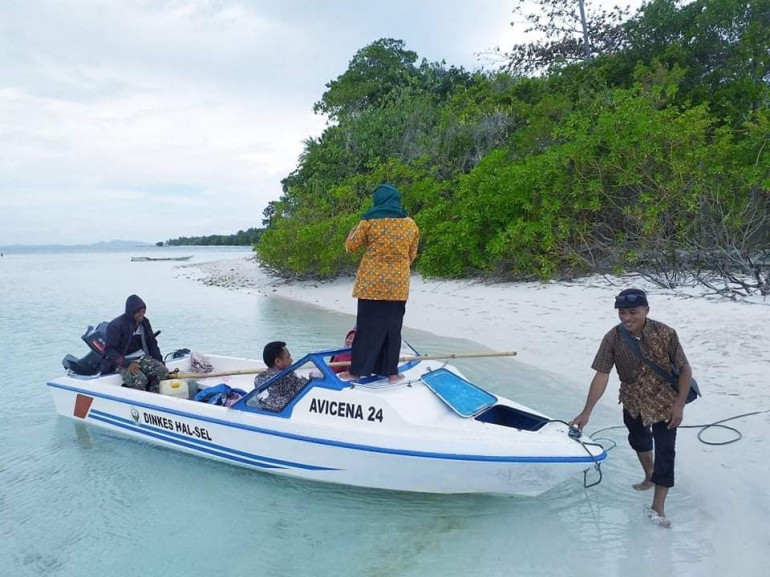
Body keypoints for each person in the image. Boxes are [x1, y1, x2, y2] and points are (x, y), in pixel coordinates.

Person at [570, 288, 692, 528]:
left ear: (646, 310)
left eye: (633, 312)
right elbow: (601, 375)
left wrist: (679, 405)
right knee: (639, 441)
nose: (626, 318)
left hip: (664, 402)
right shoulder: (613, 338)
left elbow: (685, 369)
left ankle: (658, 507)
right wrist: (586, 412)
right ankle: (649, 474)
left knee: (666, 451)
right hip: (633, 401)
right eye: (622, 312)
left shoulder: (666, 333)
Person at [338, 184, 419, 384]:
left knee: (366, 328)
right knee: (393, 329)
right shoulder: (410, 224)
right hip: (398, 284)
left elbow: (352, 246)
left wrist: (352, 231)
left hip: (371, 283)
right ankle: (392, 373)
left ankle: (356, 372)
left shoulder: (369, 221)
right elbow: (412, 254)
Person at [100, 294, 169, 392]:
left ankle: (154, 396)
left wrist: (160, 362)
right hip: (120, 361)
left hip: (140, 358)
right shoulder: (116, 326)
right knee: (139, 380)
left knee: (162, 371)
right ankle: (138, 404)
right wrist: (126, 364)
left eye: (143, 311)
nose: (142, 314)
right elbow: (109, 350)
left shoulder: (144, 322)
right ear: (131, 311)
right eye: (139, 312)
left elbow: (152, 344)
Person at [254, 341, 309, 412]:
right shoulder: (285, 378)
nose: (291, 360)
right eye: (288, 357)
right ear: (278, 361)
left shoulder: (259, 378)